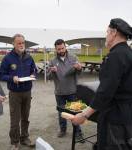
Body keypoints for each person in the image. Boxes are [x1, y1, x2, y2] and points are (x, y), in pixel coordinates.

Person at [71, 18, 132, 150]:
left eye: (107, 32)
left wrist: (84, 115)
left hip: (114, 117)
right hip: (126, 114)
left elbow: (105, 92)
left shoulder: (115, 56)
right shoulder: (128, 54)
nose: (106, 35)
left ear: (114, 33)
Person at [0, 34, 37, 150]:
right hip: (14, 93)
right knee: (15, 119)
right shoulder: (8, 58)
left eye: (23, 43)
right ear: (13, 44)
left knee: (25, 117)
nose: (21, 45)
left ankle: (24, 138)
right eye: (19, 43)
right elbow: (1, 75)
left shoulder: (29, 57)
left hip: (27, 92)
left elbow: (34, 70)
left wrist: (33, 74)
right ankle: (14, 142)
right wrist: (11, 78)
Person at [47, 39, 84, 140]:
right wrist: (52, 71)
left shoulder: (73, 58)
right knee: (61, 113)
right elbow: (49, 78)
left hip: (73, 91)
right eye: (58, 49)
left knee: (75, 113)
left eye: (62, 48)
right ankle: (63, 130)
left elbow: (80, 73)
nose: (61, 50)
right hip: (59, 92)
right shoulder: (52, 61)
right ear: (56, 49)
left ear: (65, 47)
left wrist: (79, 68)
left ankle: (78, 132)